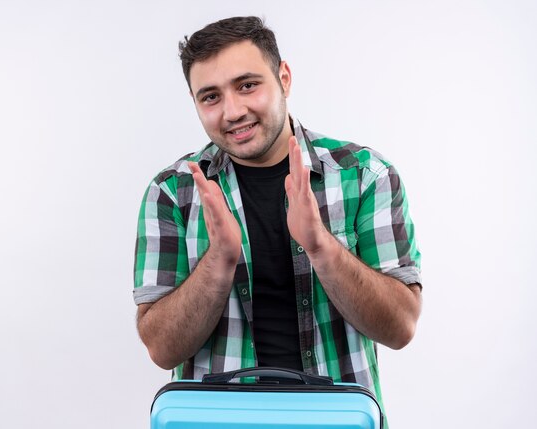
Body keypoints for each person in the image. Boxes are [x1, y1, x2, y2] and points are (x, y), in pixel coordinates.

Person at [133, 16, 422, 413]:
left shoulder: (366, 175)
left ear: (284, 78)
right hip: (217, 422)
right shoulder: (171, 192)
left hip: (334, 420)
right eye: (211, 97)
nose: (233, 111)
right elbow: (162, 349)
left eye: (247, 85)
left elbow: (400, 326)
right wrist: (219, 260)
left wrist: (320, 246)